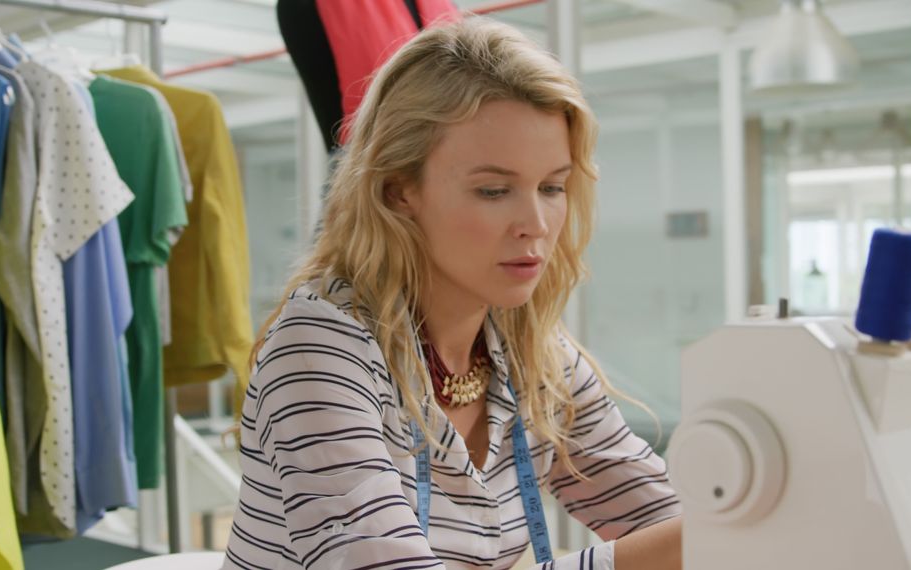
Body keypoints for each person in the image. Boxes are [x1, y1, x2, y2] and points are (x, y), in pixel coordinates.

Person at [221, 16, 682, 570]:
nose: (535, 223)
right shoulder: (320, 350)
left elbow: (677, 520)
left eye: (552, 187)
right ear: (398, 191)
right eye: (494, 190)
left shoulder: (530, 351)